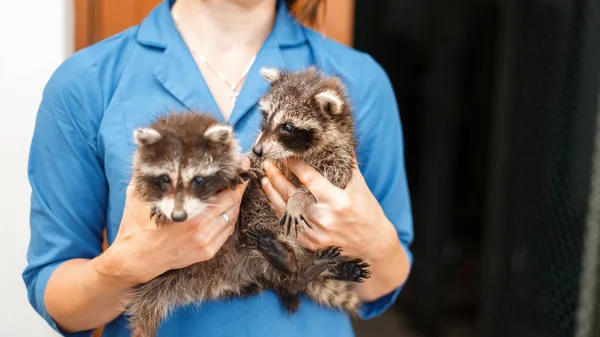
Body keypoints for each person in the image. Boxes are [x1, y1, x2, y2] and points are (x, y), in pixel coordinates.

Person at [22, 0, 414, 336]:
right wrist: (123, 267)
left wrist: (371, 239)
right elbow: (56, 293)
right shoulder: (85, 83)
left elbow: (381, 282)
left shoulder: (360, 80)